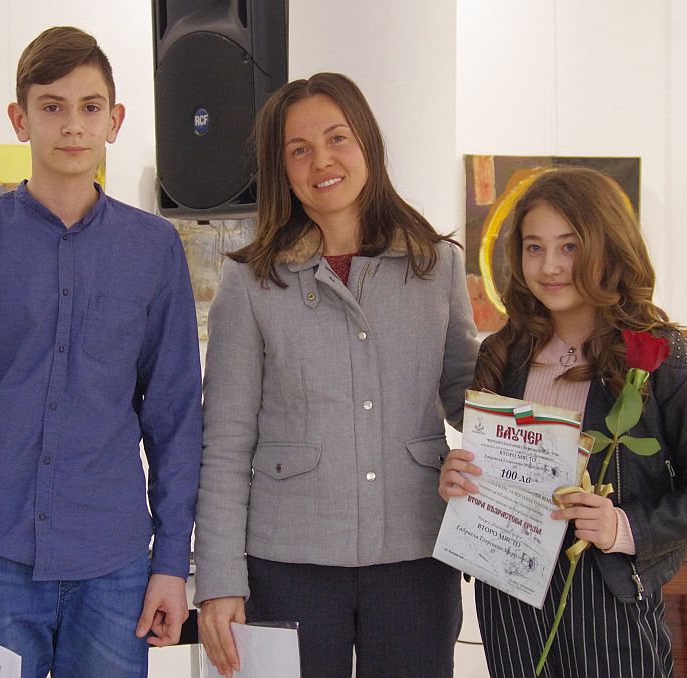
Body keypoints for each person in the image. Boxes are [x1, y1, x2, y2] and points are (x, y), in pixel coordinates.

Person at [0, 26, 201, 678]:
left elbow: (175, 419)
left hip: (115, 568)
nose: (73, 125)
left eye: (90, 107)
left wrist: (173, 561)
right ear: (19, 119)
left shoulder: (153, 249)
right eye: (52, 106)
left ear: (115, 120)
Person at [192, 72, 480, 678]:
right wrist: (219, 580)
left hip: (417, 554)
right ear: (281, 170)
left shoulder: (437, 265)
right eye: (298, 149)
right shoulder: (250, 283)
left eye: (337, 138)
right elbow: (225, 443)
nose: (322, 160)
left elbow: (471, 400)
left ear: (367, 142)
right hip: (287, 561)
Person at [439, 167, 687, 677]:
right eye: (534, 248)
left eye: (570, 246)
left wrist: (622, 527)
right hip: (508, 597)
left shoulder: (661, 357)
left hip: (608, 595)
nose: (550, 266)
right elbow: (495, 471)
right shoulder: (502, 353)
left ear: (609, 246)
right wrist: (459, 481)